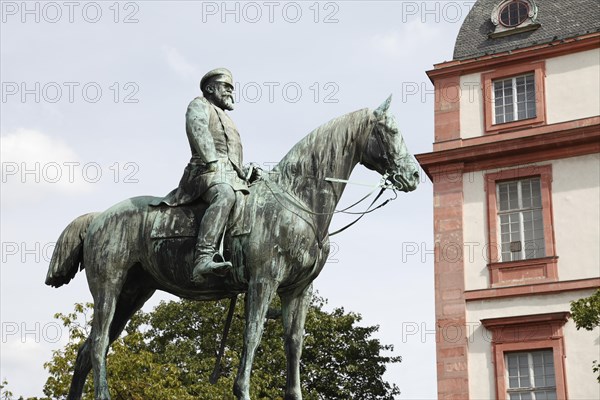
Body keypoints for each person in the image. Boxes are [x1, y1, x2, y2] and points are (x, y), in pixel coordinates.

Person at [162, 68, 250, 283]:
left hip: (229, 175)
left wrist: (244, 170)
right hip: (203, 173)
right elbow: (198, 131)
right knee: (225, 195)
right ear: (211, 88)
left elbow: (232, 157)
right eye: (226, 87)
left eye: (232, 88)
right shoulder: (199, 105)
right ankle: (203, 258)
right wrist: (212, 161)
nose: (231, 92)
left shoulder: (228, 119)